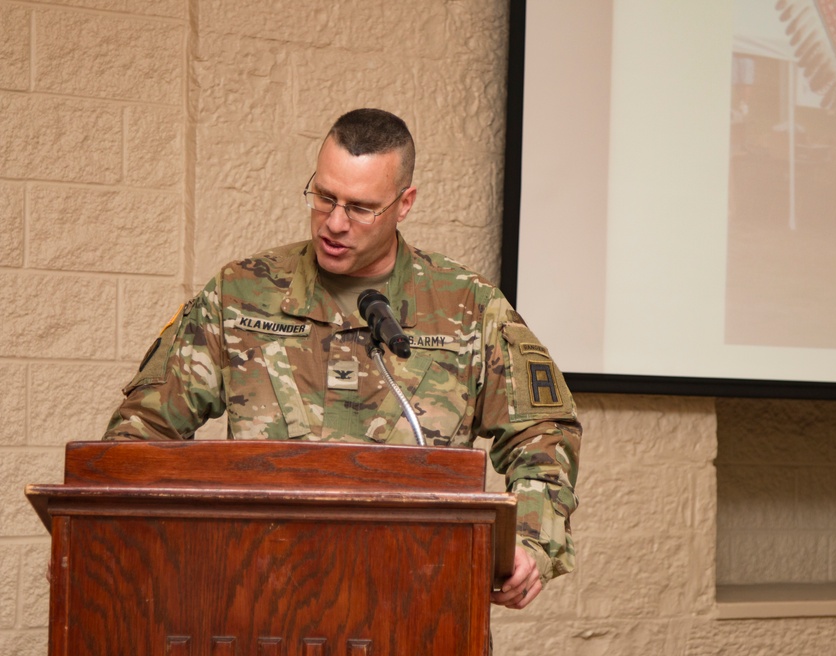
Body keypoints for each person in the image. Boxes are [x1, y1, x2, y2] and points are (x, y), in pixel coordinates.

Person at [103, 108, 581, 610]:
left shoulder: (468, 307)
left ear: (405, 203)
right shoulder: (242, 294)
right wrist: (102, 538)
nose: (334, 223)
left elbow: (543, 433)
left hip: (417, 604)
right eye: (324, 197)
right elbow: (144, 428)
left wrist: (529, 540)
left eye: (360, 207)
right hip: (256, 600)